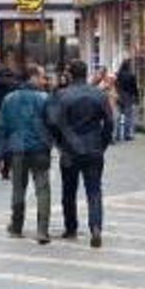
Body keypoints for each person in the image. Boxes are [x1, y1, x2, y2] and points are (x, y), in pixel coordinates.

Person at [47, 60, 115, 248]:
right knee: (94, 190)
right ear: (86, 73)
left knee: (69, 190)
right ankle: (96, 227)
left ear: (70, 74)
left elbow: (54, 123)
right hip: (93, 148)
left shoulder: (62, 95)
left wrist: (60, 144)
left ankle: (71, 227)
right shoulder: (99, 95)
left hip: (70, 150)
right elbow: (109, 122)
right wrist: (102, 143)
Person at [0, 64, 53, 244]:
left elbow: (1, 128)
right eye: (41, 76)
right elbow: (53, 124)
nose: (44, 80)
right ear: (32, 77)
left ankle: (17, 226)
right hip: (40, 149)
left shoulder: (9, 99)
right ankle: (42, 230)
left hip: (17, 149)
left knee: (18, 189)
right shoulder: (44, 98)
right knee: (43, 189)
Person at [115, 60, 138, 142]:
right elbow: (134, 87)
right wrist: (136, 96)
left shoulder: (118, 75)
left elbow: (116, 85)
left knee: (118, 116)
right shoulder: (131, 75)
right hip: (128, 96)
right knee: (128, 116)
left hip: (119, 96)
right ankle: (127, 134)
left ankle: (117, 135)